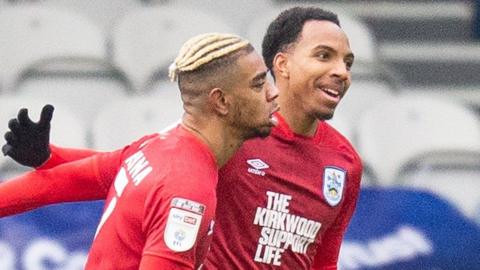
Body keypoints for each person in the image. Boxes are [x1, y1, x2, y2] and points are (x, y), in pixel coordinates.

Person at [2, 6, 362, 269]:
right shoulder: (231, 136)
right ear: (281, 65)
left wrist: (49, 156)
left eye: (347, 62)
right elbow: (138, 172)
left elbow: (323, 262)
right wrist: (50, 157)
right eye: (323, 56)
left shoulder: (345, 164)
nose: (340, 72)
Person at [0, 32, 279, 269]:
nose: (273, 93)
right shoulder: (188, 190)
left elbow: (58, 181)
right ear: (220, 101)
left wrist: (50, 157)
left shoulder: (157, 145)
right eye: (258, 84)